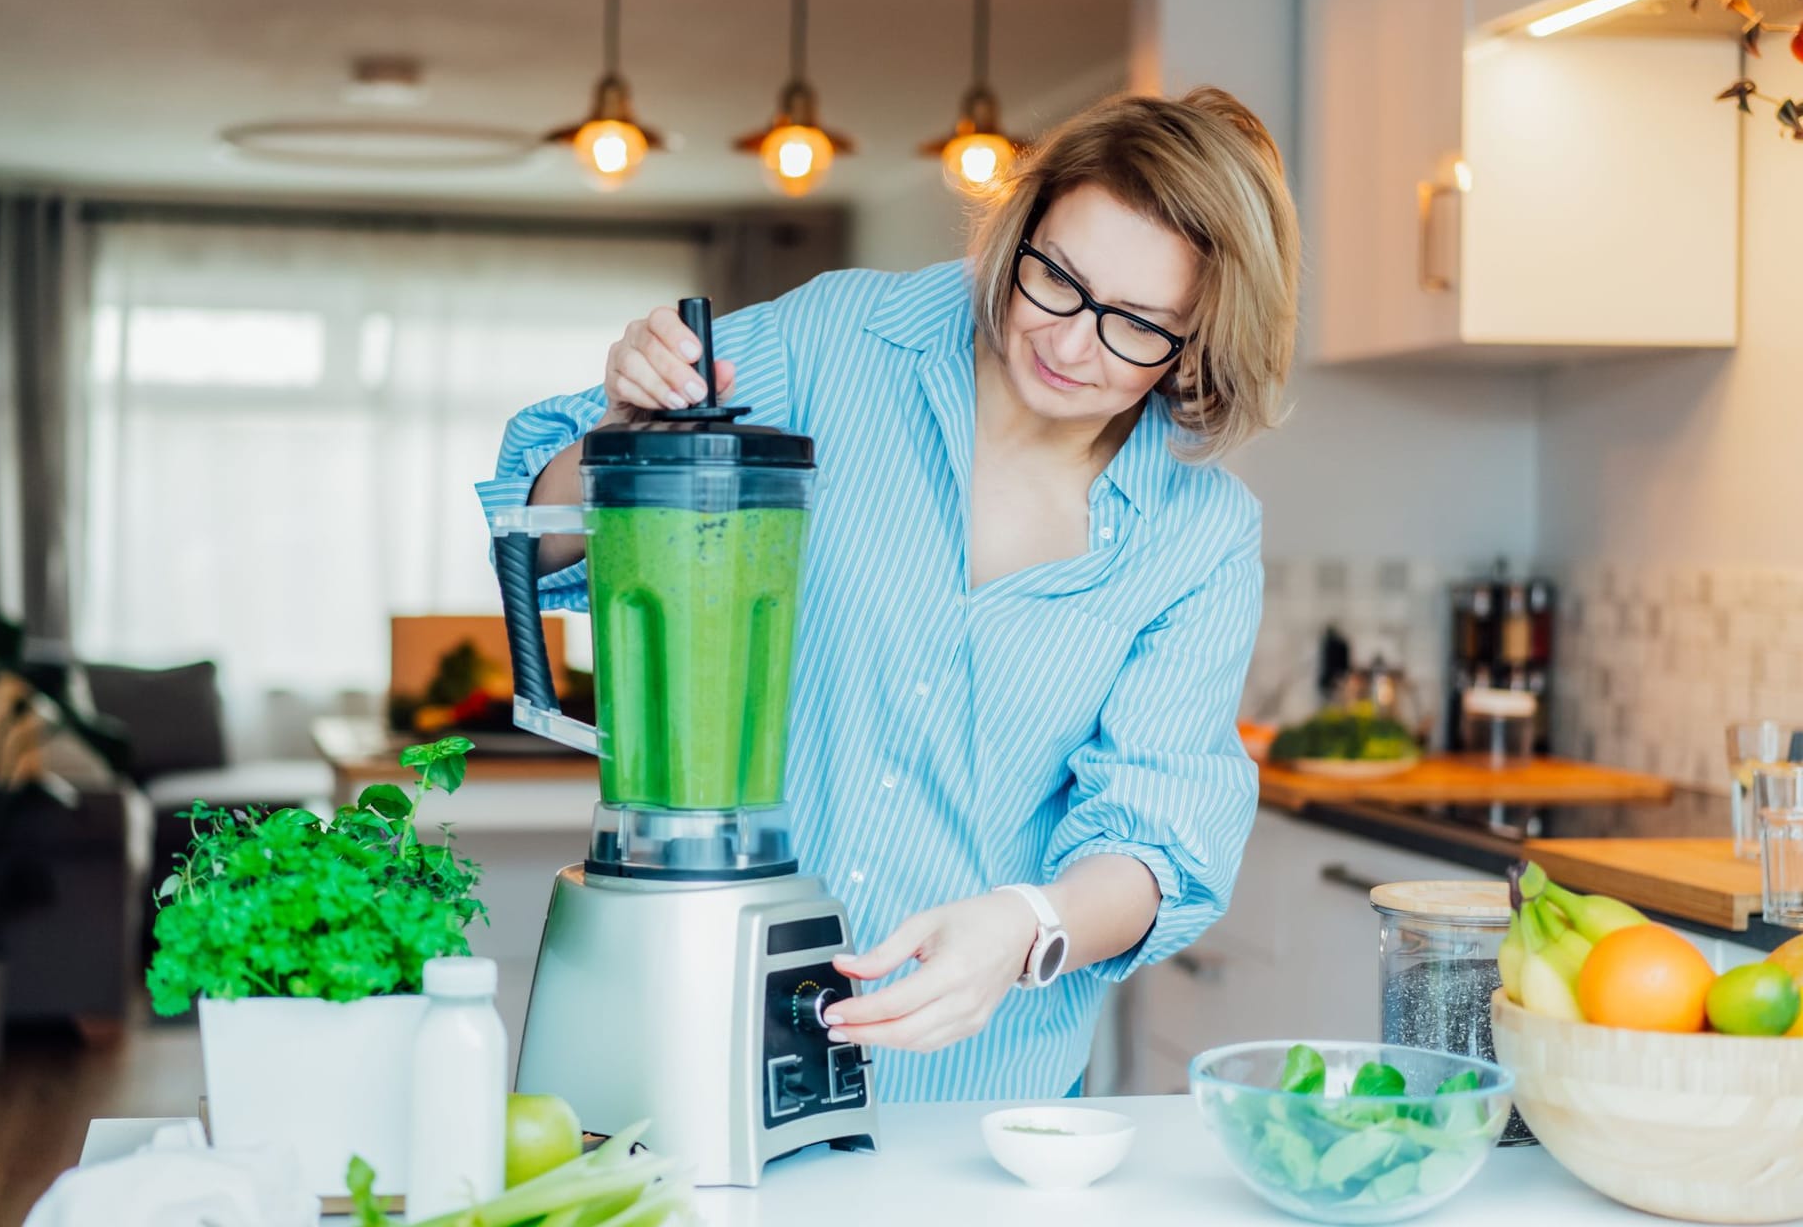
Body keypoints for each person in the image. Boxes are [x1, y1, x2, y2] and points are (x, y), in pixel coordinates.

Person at [487, 88, 1300, 1102]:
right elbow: (547, 535)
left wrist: (1030, 926)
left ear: (1201, 342)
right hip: (702, 1037)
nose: (1073, 341)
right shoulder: (838, 339)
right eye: (1058, 278)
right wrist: (623, 431)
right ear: (1023, 227)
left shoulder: (1199, 535)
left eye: (1138, 324)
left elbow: (1155, 840)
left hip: (972, 1088)